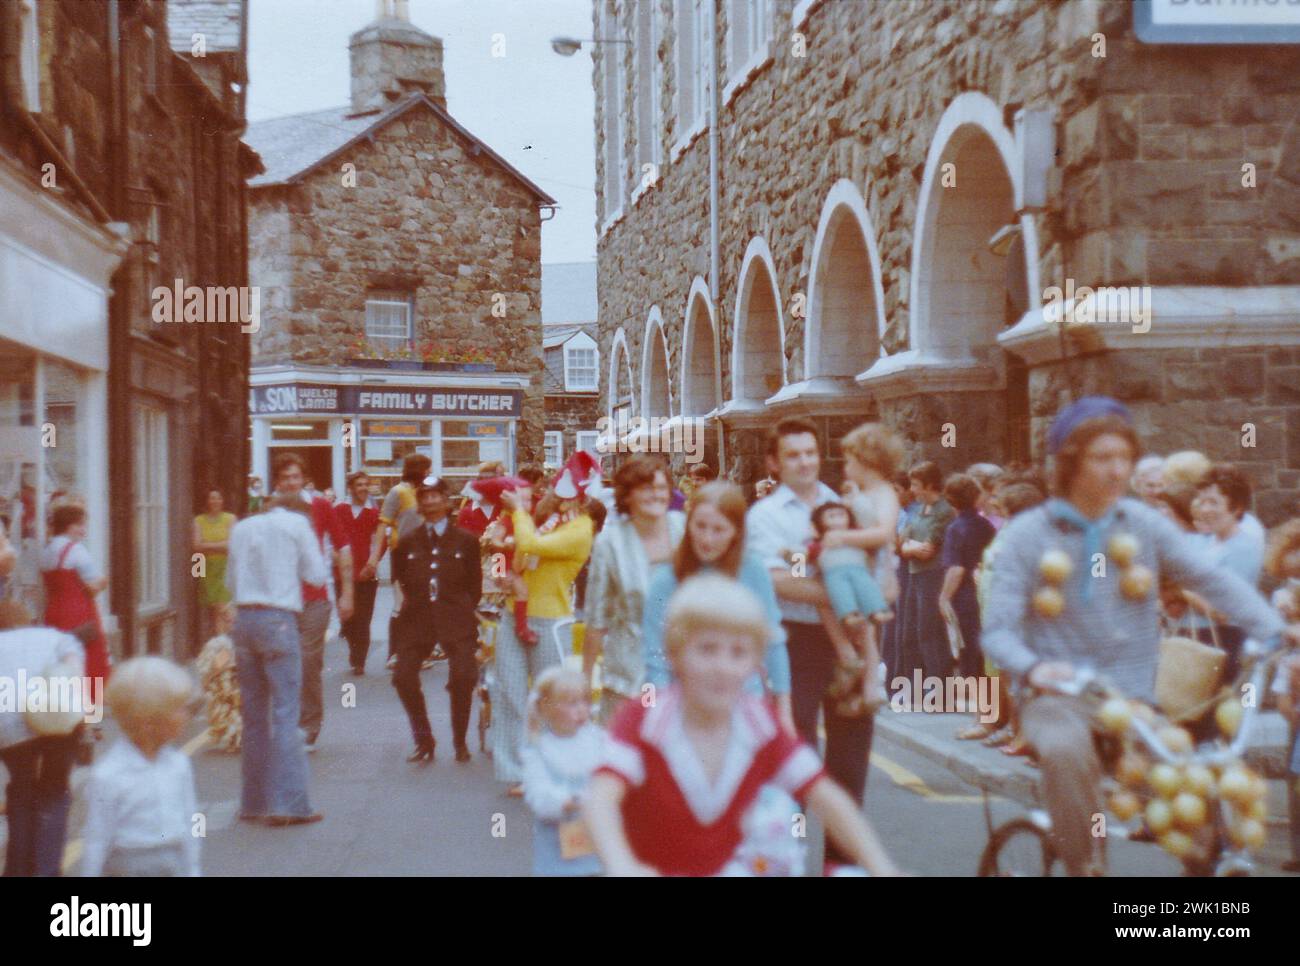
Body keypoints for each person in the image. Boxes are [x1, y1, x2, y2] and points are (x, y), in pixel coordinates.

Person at [981, 396, 1298, 876]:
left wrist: (1274, 629)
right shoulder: (1029, 534)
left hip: (1133, 701)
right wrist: (1035, 667)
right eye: (1101, 458)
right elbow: (998, 630)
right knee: (1069, 754)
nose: (1116, 470)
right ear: (1070, 462)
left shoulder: (1143, 526)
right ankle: (1085, 865)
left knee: (1191, 791)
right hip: (1056, 697)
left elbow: (1210, 579)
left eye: (1123, 458)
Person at [583, 574, 900, 877]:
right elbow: (600, 799)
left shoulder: (759, 722)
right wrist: (621, 864)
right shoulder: (644, 719)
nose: (722, 666)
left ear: (755, 662)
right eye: (706, 649)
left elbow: (826, 796)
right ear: (675, 653)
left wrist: (881, 866)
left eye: (738, 653)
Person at [745, 417, 878, 870]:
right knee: (795, 757)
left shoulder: (843, 506)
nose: (804, 462)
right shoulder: (763, 516)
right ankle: (790, 862)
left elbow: (874, 566)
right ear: (774, 462)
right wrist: (843, 591)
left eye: (810, 453)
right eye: (792, 455)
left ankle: (839, 867)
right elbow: (779, 581)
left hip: (847, 640)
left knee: (849, 763)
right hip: (793, 642)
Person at [641, 481, 794, 733]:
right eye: (700, 526)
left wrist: (784, 711)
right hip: (685, 711)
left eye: (719, 529)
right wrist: (653, 712)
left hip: (746, 706)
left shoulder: (753, 570)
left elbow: (773, 640)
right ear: (688, 523)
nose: (707, 538)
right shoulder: (666, 579)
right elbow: (654, 657)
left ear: (736, 531)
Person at [493, 454, 597, 792]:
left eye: (562, 491)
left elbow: (530, 543)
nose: (553, 494)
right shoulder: (545, 519)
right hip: (514, 612)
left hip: (551, 619)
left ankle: (554, 766)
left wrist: (518, 512)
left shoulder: (580, 529)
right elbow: (517, 553)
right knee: (508, 692)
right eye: (554, 488)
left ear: (579, 497)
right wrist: (504, 575)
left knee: (551, 697)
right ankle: (515, 771)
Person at [224, 491, 329, 826]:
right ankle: (289, 804)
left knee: (254, 715)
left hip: (244, 621)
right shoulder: (299, 524)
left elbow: (230, 580)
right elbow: (316, 575)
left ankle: (252, 803)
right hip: (279, 620)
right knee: (286, 712)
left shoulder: (241, 527)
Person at [583, 454, 686, 725]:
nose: (656, 495)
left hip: (684, 666)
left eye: (661, 488)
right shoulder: (611, 543)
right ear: (627, 495)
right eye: (646, 488)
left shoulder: (685, 530)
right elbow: (596, 617)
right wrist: (584, 681)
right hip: (630, 668)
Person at [389, 475, 483, 763]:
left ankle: (459, 742)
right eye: (424, 496)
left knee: (464, 676)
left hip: (455, 618)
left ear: (447, 501)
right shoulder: (407, 542)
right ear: (419, 503)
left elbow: (474, 586)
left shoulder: (466, 541)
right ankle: (424, 740)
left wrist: (459, 607)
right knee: (403, 677)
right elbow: (402, 579)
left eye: (435, 495)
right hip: (418, 619)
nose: (430, 501)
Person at [80, 657, 200, 876]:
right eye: (178, 709)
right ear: (148, 722)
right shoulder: (108, 775)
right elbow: (97, 838)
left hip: (173, 861)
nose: (186, 715)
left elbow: (191, 821)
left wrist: (193, 870)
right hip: (127, 865)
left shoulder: (179, 765)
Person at [271, 452, 352, 752]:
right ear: (277, 481)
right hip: (280, 599)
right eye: (285, 478)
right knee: (282, 660)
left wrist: (347, 594)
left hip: (315, 598)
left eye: (296, 476)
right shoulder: (271, 509)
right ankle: (287, 722)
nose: (291, 482)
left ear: (303, 478)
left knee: (307, 660)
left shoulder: (320, 505)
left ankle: (309, 726)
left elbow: (343, 546)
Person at [0, 599, 84, 876]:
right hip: (57, 719)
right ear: (29, 619)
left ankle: (17, 870)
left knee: (22, 789)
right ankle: (47, 869)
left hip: (9, 725)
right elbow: (74, 666)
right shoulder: (53, 637)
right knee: (54, 790)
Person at [799, 502, 890, 715]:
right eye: (831, 516)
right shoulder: (817, 543)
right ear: (819, 523)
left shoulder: (856, 538)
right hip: (831, 594)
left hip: (857, 592)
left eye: (841, 515)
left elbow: (874, 553)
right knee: (838, 624)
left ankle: (870, 691)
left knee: (867, 637)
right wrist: (800, 576)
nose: (838, 519)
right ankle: (848, 662)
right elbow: (800, 561)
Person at [521, 666, 605, 877]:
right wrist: (565, 801)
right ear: (547, 707)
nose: (581, 709)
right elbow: (537, 792)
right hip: (558, 845)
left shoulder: (597, 738)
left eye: (585, 701)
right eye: (572, 703)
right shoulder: (538, 748)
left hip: (597, 836)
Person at [938, 474, 997, 718]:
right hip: (984, 594)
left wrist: (943, 597)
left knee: (967, 656)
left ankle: (984, 716)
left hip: (963, 598)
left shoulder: (955, 529)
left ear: (950, 500)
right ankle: (994, 712)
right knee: (984, 655)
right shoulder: (986, 525)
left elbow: (956, 568)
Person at [41, 503, 110, 712]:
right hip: (80, 615)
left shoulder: (47, 550)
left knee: (61, 664)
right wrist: (102, 583)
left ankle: (65, 713)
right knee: (91, 664)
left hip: (53, 614)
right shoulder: (75, 550)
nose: (83, 530)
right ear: (68, 526)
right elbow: (95, 582)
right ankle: (92, 721)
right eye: (80, 525)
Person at [368, 453, 431, 670]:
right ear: (418, 470)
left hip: (424, 554)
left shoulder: (423, 493)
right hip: (402, 555)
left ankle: (418, 654)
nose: (430, 473)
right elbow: (382, 525)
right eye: (427, 469)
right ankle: (394, 654)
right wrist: (374, 558)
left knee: (421, 605)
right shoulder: (398, 492)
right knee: (401, 603)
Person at [896, 461, 956, 683]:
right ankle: (915, 685)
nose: (912, 490)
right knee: (911, 633)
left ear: (930, 485)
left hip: (932, 576)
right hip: (915, 575)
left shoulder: (944, 511)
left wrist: (908, 547)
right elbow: (901, 543)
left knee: (930, 632)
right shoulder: (921, 509)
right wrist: (910, 546)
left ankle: (940, 688)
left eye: (916, 485)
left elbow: (927, 551)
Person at [334, 471, 382, 675]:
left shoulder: (373, 513)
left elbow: (380, 541)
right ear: (350, 488)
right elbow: (331, 538)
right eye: (359, 485)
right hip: (342, 574)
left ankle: (358, 660)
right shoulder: (339, 510)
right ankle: (348, 634)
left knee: (364, 618)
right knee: (349, 617)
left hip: (365, 573)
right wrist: (336, 561)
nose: (363, 488)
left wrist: (372, 563)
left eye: (366, 485)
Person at [196, 604, 241, 752]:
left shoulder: (224, 642)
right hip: (230, 682)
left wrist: (207, 679)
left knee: (230, 709)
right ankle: (235, 737)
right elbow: (219, 665)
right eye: (228, 621)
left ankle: (235, 737)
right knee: (232, 709)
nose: (232, 625)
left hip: (230, 683)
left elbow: (219, 665)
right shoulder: (224, 641)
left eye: (234, 622)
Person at [194, 489, 237, 636]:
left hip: (226, 567)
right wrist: (221, 545)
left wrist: (208, 545)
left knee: (223, 606)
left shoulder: (230, 518)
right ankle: (221, 642)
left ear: (223, 500)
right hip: (205, 567)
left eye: (218, 498)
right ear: (207, 501)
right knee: (214, 609)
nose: (215, 501)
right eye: (212, 498)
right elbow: (196, 547)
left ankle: (223, 641)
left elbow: (232, 544)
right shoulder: (198, 520)